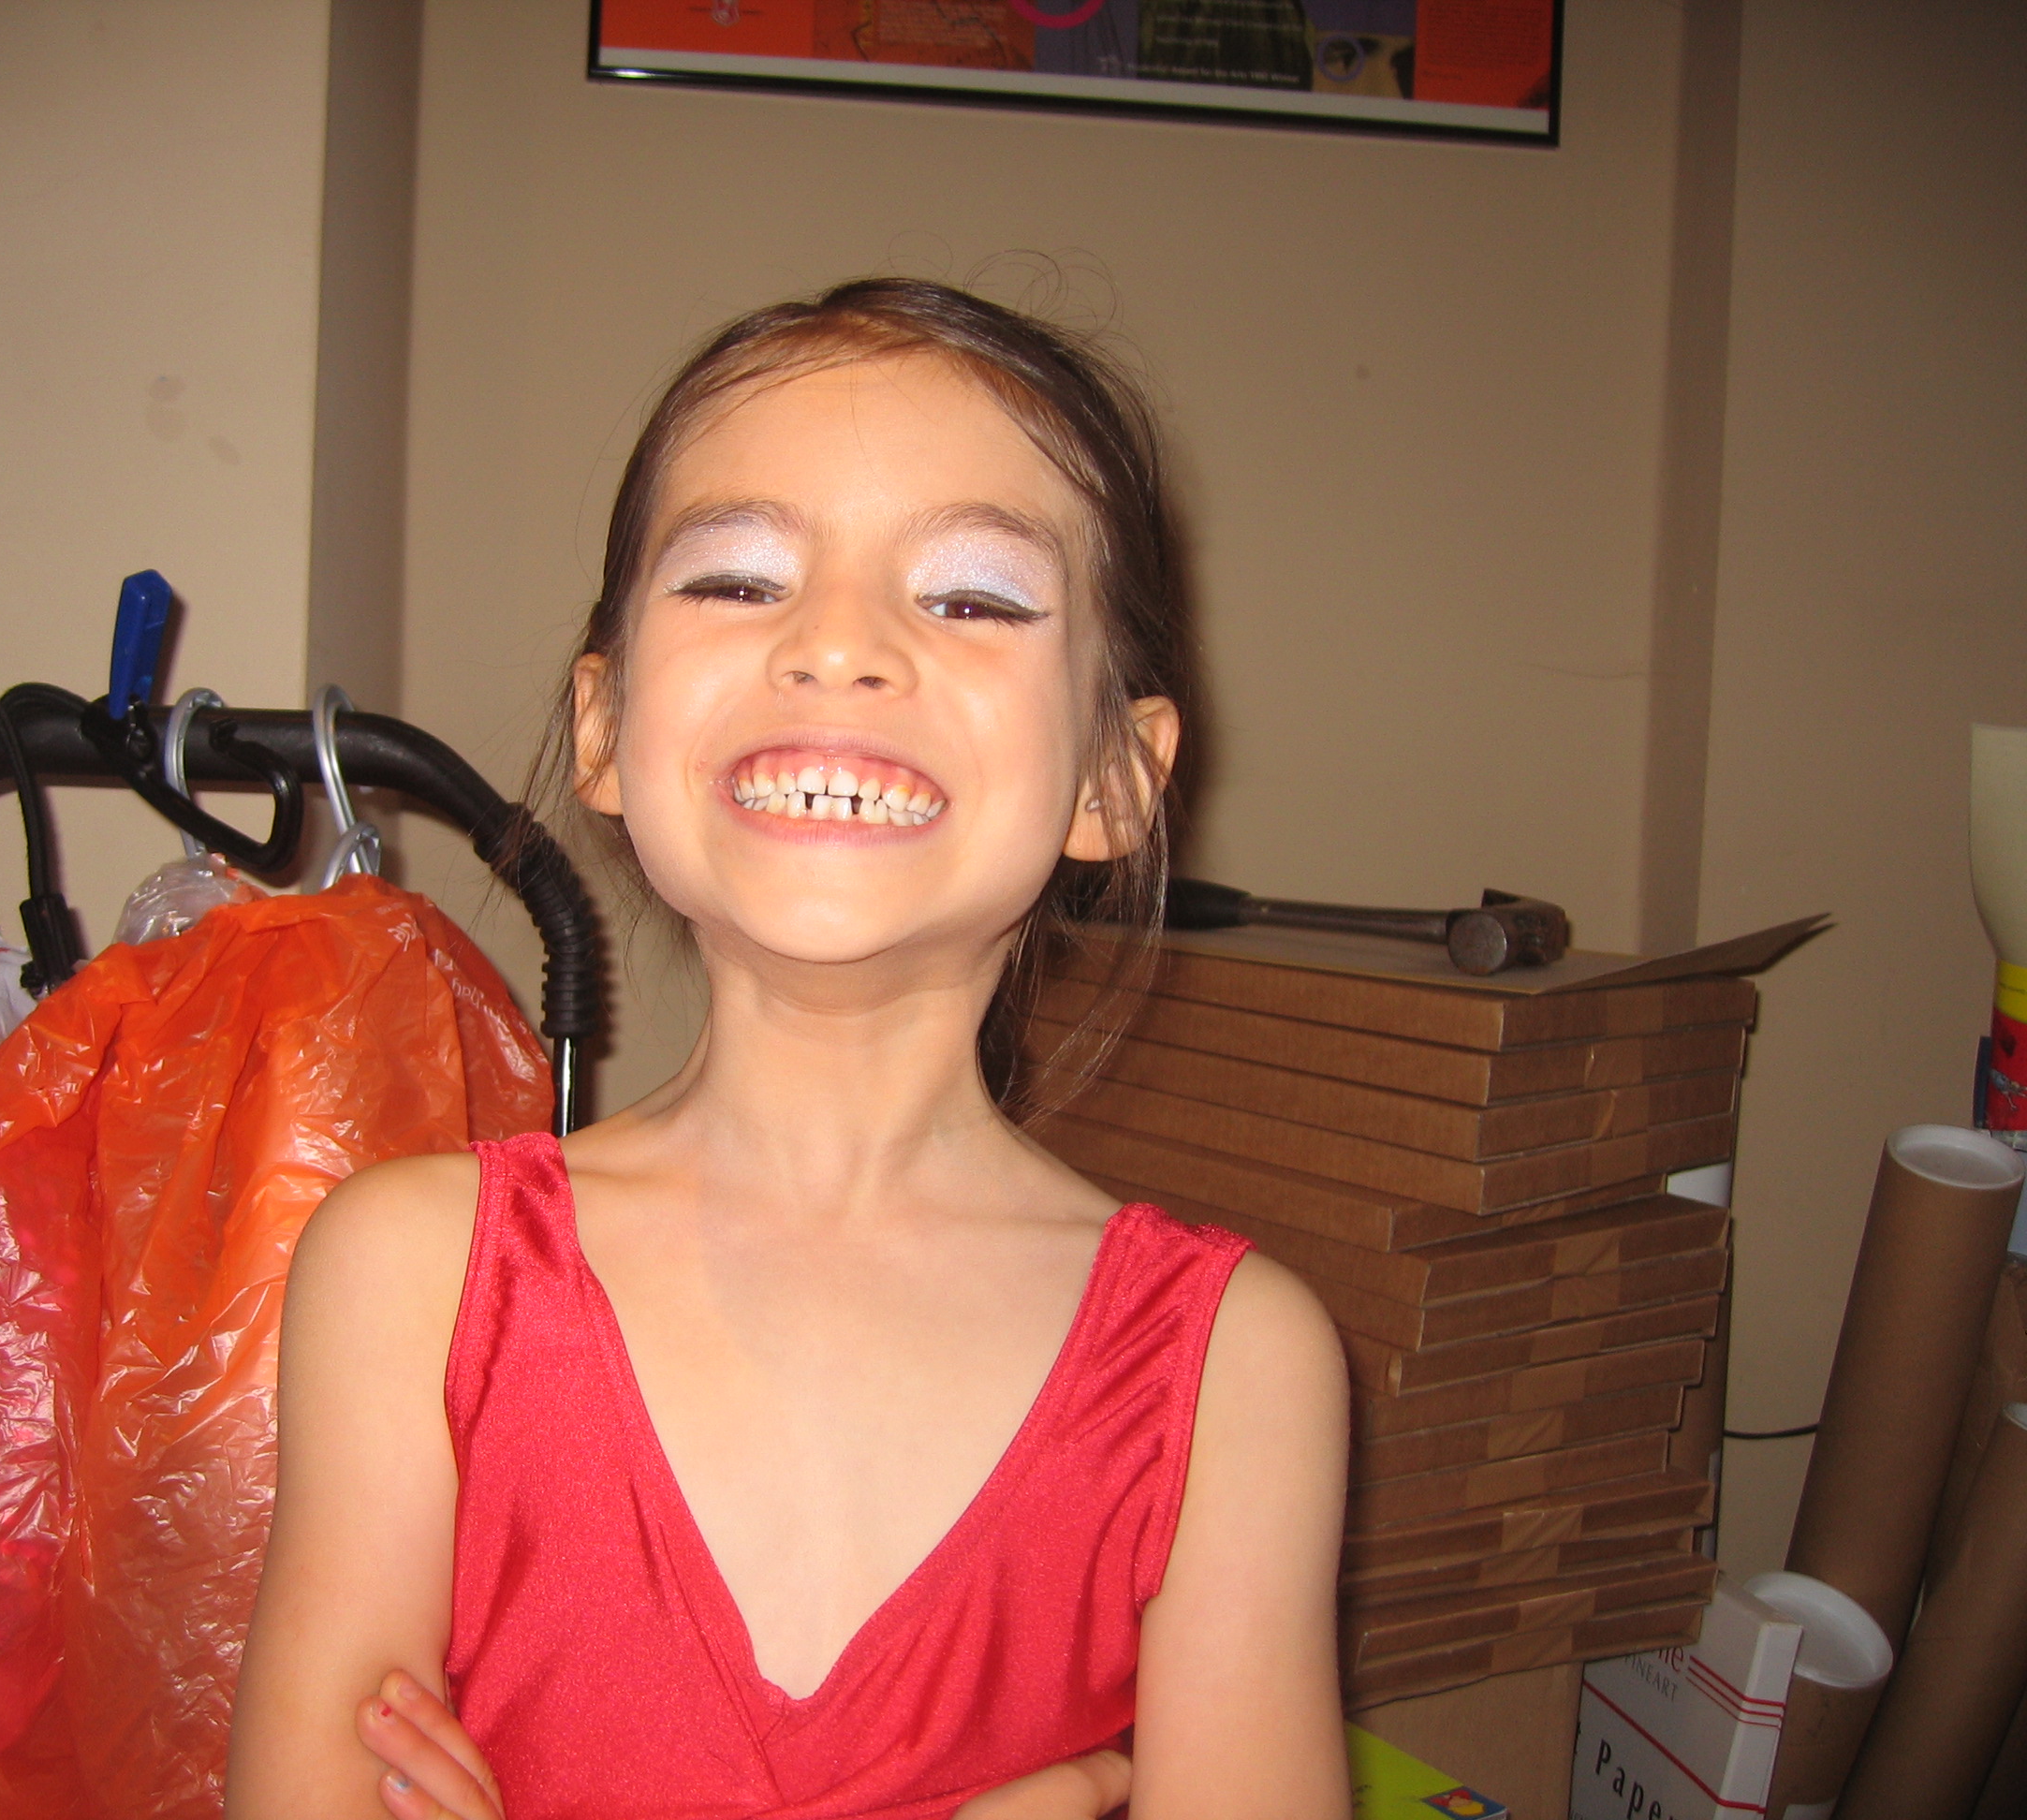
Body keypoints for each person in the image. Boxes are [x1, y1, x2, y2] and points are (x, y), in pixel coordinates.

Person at [224, 279, 1350, 1820]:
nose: (836, 644)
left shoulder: (1235, 1372)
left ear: (1115, 774)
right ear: (605, 727)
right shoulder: (411, 1280)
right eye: (739, 580)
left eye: (973, 598)